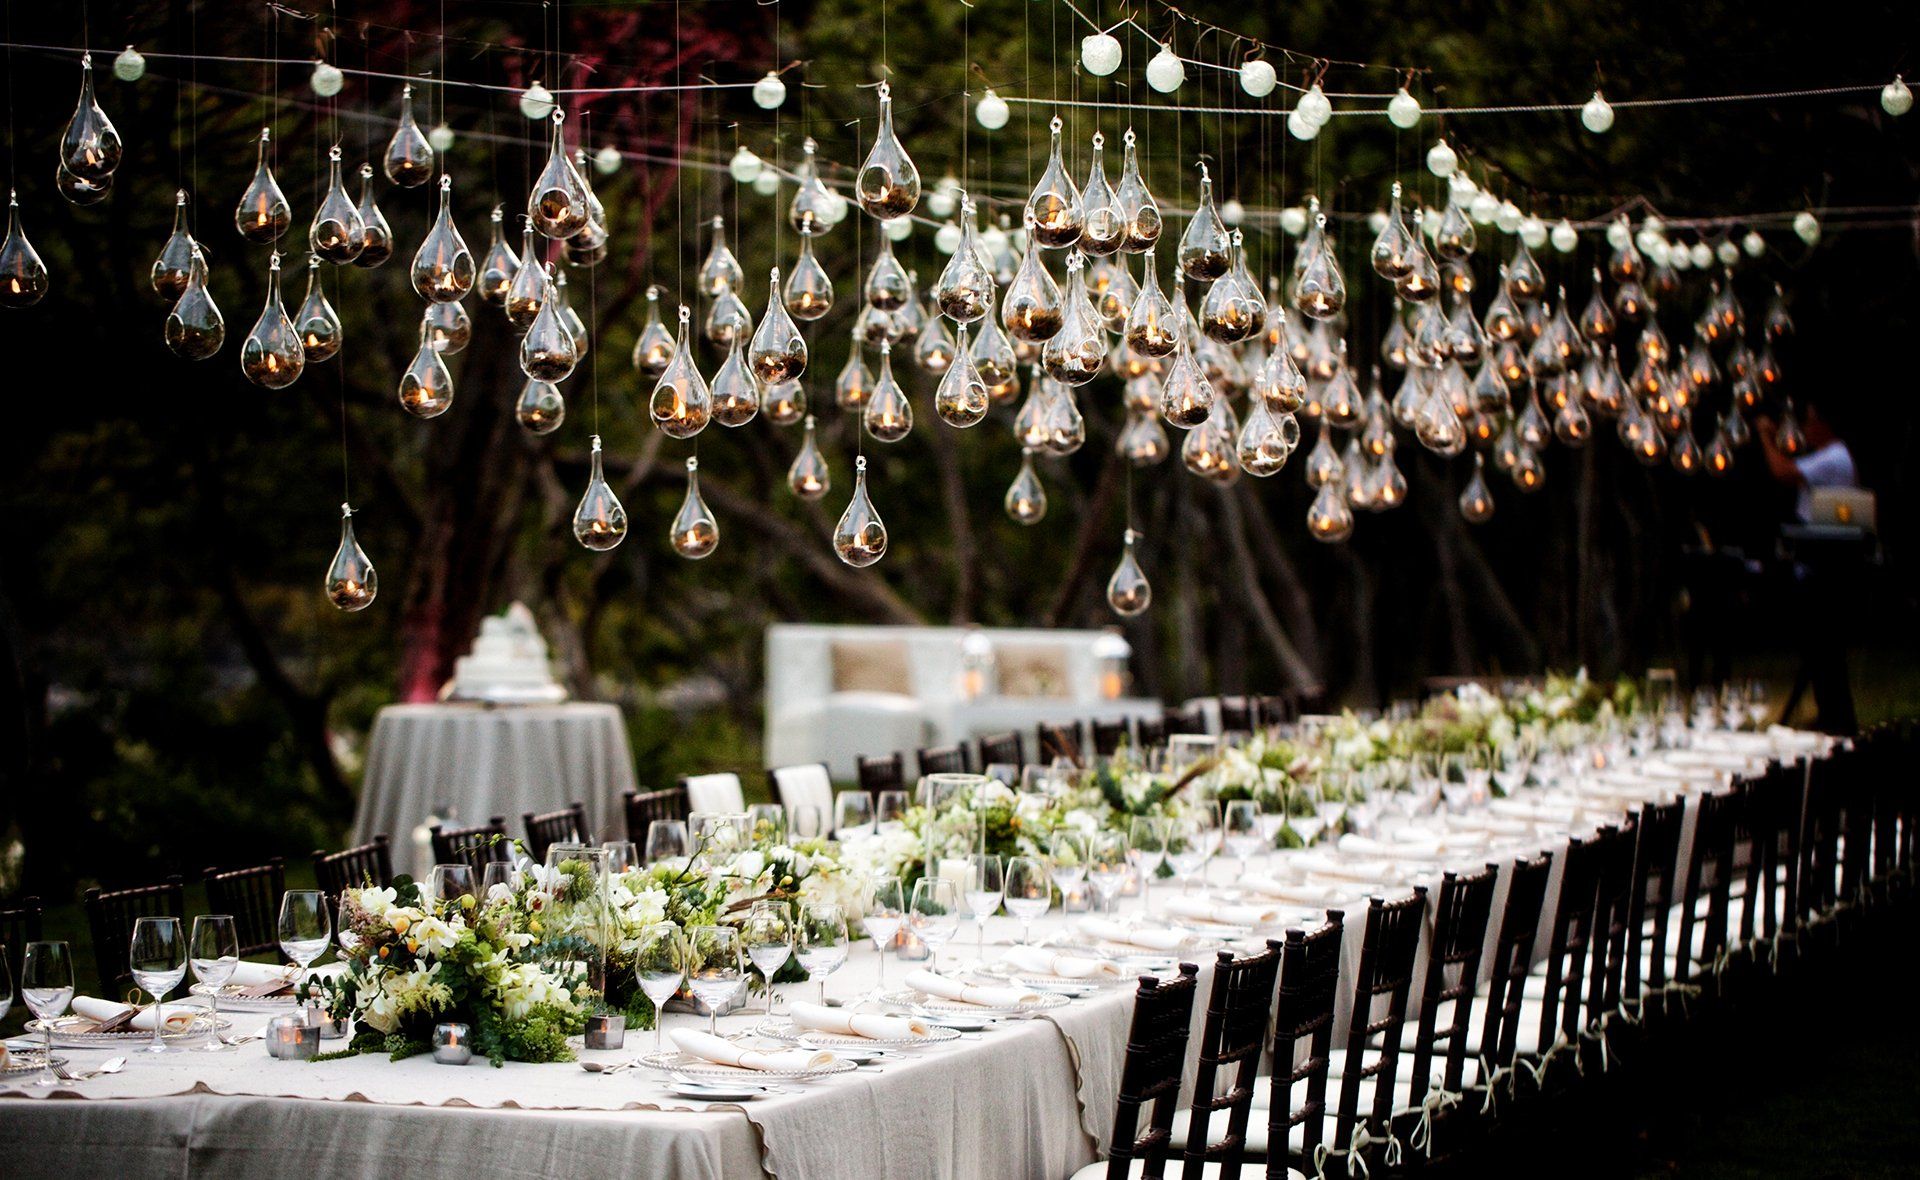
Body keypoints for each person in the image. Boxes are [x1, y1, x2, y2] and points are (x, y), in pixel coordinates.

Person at [1755, 400, 1860, 734]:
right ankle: (1832, 719)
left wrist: (1765, 437)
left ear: (1825, 424)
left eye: (1810, 421)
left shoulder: (1834, 457)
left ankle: (1838, 723)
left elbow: (1783, 472)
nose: (1805, 428)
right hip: (1819, 563)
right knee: (1821, 654)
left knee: (1826, 653)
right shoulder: (1829, 457)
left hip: (1827, 569)